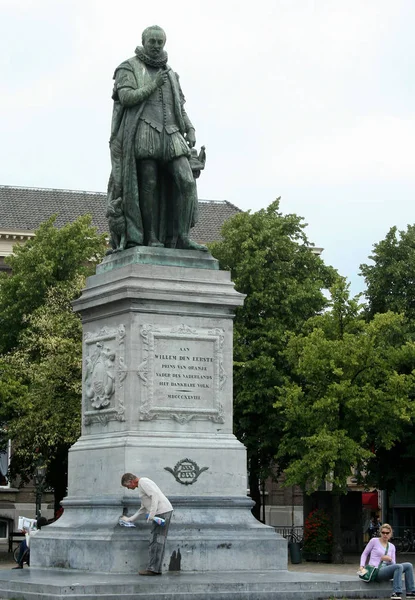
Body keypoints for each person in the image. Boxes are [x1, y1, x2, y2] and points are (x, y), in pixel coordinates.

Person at [107, 25, 207, 253]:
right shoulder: (128, 67)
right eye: (152, 41)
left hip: (172, 133)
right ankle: (150, 236)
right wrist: (153, 85)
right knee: (148, 185)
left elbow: (179, 107)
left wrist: (190, 127)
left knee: (186, 181)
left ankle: (181, 237)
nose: (156, 46)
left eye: (159, 42)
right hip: (144, 130)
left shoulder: (171, 73)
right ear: (143, 41)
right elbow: (126, 97)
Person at [120, 472, 173, 576]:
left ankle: (153, 569)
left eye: (127, 486)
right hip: (161, 513)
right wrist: (130, 519)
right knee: (156, 541)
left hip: (161, 513)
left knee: (156, 541)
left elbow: (154, 496)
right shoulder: (142, 484)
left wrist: (152, 515)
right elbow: (143, 508)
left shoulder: (143, 482)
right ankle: (155, 568)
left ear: (131, 481)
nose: (129, 488)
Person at [358, 523, 415, 599]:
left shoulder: (392, 546)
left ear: (390, 534)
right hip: (376, 570)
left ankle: (410, 592)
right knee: (399, 566)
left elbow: (393, 564)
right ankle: (396, 592)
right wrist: (362, 566)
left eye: (387, 533)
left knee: (409, 565)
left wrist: (389, 560)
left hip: (387, 569)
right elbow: (365, 554)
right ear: (380, 533)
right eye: (383, 533)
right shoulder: (374, 541)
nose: (385, 535)